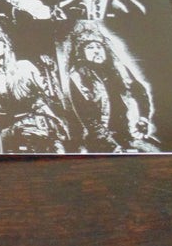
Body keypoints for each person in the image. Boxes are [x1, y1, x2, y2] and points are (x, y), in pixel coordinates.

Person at [0, 20, 67, 154]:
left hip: (40, 132)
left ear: (6, 44)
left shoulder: (24, 68)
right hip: (6, 138)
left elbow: (52, 99)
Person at [63, 21, 157, 153]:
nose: (96, 51)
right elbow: (88, 118)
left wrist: (143, 118)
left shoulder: (119, 69)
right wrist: (113, 146)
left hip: (127, 133)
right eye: (90, 48)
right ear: (81, 52)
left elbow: (140, 92)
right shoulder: (77, 77)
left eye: (99, 47)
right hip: (101, 139)